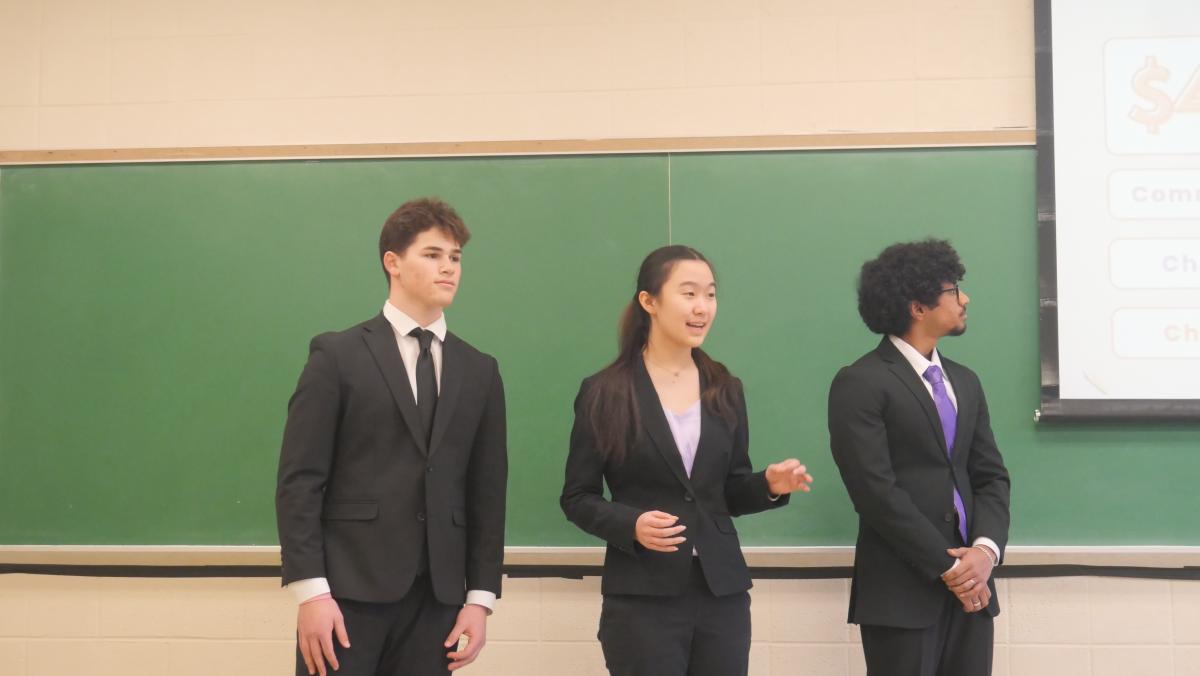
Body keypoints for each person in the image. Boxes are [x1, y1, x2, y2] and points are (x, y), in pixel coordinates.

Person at [276, 197, 507, 676]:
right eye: (432, 254)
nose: (449, 267)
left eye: (456, 257)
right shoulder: (337, 357)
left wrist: (480, 599)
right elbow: (300, 481)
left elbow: (488, 491)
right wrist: (311, 593)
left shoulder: (479, 370)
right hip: (346, 594)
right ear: (393, 262)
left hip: (438, 600)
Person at [561, 244, 813, 676]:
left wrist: (769, 486)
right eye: (689, 293)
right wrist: (631, 525)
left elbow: (727, 492)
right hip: (642, 597)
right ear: (650, 301)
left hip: (721, 594)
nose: (702, 307)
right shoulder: (606, 391)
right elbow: (577, 497)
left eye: (710, 295)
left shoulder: (725, 388)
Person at [828, 239, 1011, 676]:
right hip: (902, 593)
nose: (964, 299)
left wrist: (984, 552)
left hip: (973, 592)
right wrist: (950, 567)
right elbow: (874, 491)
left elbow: (990, 476)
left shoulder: (965, 381)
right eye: (953, 290)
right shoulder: (861, 382)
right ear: (917, 307)